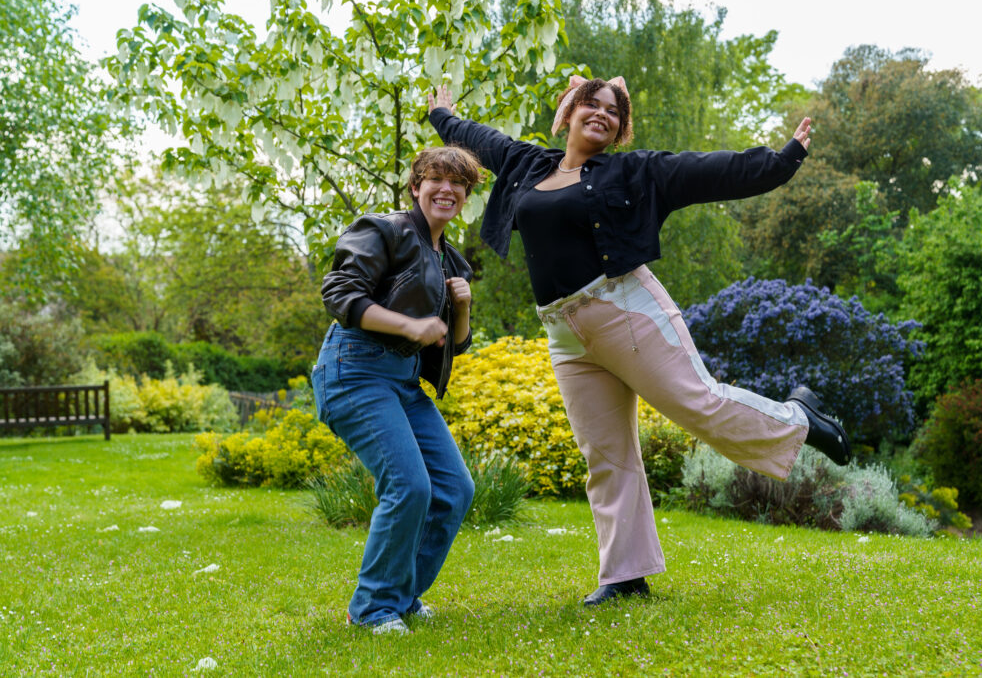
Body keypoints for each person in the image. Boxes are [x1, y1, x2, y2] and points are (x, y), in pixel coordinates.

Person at [427, 77, 851, 607]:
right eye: (591, 104)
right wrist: (442, 117)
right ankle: (626, 575)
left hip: (624, 310)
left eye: (612, 110)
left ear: (619, 128)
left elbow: (710, 171)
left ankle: (800, 419)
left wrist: (782, 159)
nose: (600, 113)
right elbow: (479, 137)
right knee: (605, 453)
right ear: (568, 113)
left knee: (700, 402)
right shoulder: (528, 164)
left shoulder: (634, 171)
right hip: (563, 332)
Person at [313, 146, 483, 634]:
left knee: (454, 489)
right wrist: (408, 326)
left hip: (405, 382)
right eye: (437, 179)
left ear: (466, 196)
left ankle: (403, 596)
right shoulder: (384, 230)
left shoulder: (452, 261)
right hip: (355, 370)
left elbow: (455, 344)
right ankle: (372, 609)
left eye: (459, 184)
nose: (447, 189)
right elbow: (340, 293)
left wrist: (462, 307)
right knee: (409, 485)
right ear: (416, 186)